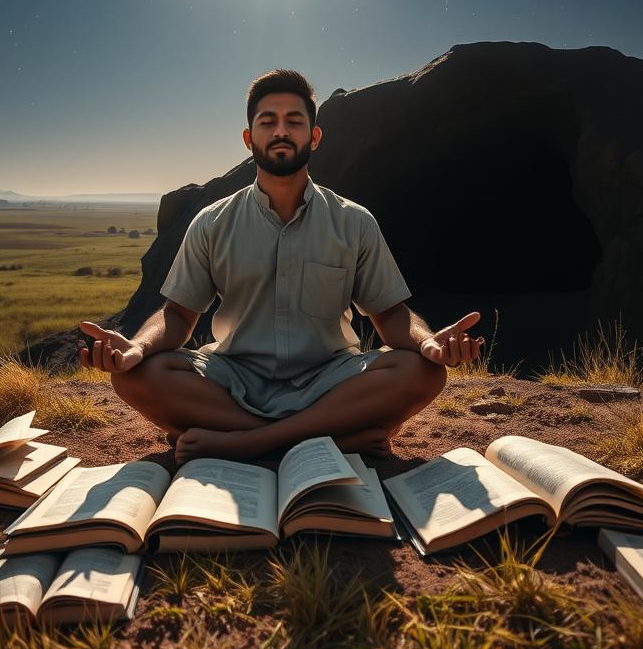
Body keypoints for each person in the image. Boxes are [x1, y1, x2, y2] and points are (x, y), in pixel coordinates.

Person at [81, 69, 483, 463]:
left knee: (423, 371)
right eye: (267, 121)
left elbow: (391, 314)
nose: (280, 132)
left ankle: (248, 442)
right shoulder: (212, 222)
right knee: (136, 375)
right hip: (233, 376)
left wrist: (428, 342)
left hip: (332, 379)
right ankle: (333, 438)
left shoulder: (354, 221)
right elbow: (177, 315)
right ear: (248, 138)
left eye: (294, 121)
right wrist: (137, 347)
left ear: (315, 136)